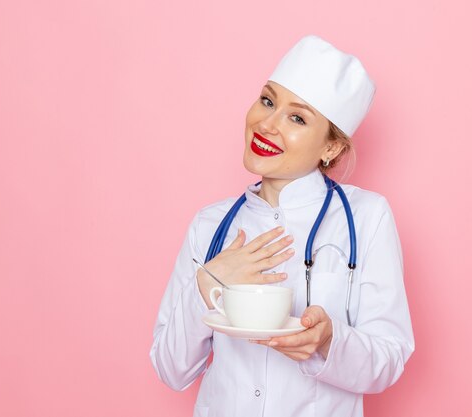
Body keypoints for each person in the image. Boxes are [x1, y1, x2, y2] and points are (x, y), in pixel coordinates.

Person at [150, 35, 414, 417]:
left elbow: (389, 357)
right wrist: (205, 286)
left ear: (331, 148)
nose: (267, 124)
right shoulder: (210, 225)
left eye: (297, 118)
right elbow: (170, 369)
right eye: (268, 101)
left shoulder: (366, 218)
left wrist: (328, 342)